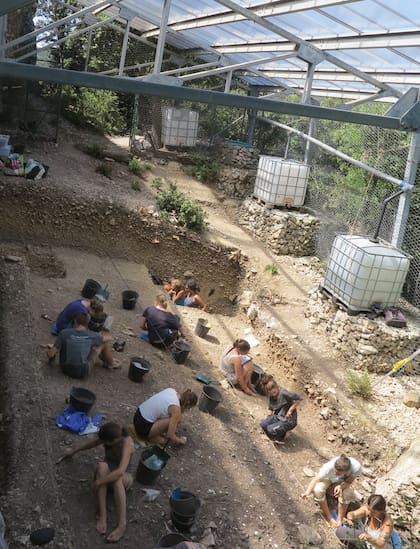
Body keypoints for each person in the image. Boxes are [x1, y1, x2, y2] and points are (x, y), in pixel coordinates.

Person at [57, 422, 134, 543]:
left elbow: (120, 472)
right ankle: (103, 516)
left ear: (114, 440)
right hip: (108, 472)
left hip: (124, 478)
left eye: (105, 442)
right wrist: (74, 451)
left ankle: (122, 525)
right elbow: (92, 443)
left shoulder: (126, 442)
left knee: (116, 478)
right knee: (102, 466)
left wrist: (98, 482)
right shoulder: (111, 435)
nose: (103, 444)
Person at [47, 311, 118, 378]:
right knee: (104, 343)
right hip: (82, 372)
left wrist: (51, 359)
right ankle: (111, 364)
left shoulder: (64, 333)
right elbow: (109, 338)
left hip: (64, 368)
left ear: (74, 321)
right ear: (87, 323)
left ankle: (107, 361)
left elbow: (51, 354)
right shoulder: (92, 335)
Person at [301, 454, 361, 528]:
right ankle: (330, 518)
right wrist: (307, 492)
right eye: (335, 471)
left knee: (348, 493)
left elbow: (349, 482)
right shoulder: (328, 468)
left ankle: (339, 519)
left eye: (338, 473)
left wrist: (340, 487)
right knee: (318, 490)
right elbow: (316, 479)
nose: (336, 474)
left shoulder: (356, 468)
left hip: (341, 481)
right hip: (328, 479)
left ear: (347, 472)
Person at [133, 388, 197, 445]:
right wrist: (180, 440)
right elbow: (170, 435)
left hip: (137, 416)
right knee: (170, 437)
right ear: (187, 406)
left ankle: (154, 432)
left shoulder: (171, 390)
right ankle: (151, 437)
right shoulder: (176, 409)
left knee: (174, 418)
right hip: (142, 427)